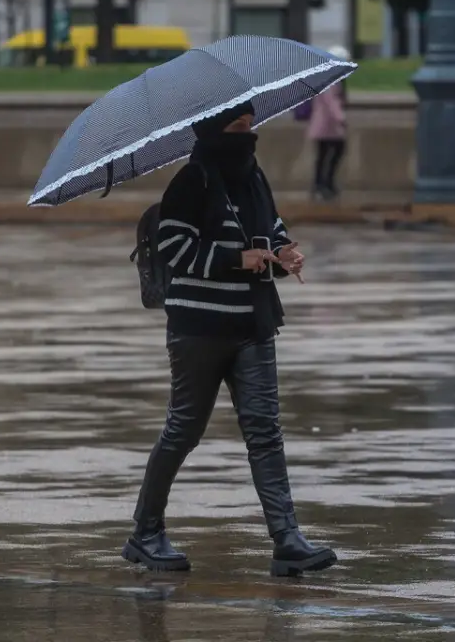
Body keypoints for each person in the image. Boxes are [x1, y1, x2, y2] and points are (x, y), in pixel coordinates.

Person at [122, 102, 338, 577]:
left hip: (254, 324)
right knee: (184, 429)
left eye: (250, 126)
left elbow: (270, 227)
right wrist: (237, 260)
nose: (247, 135)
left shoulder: (254, 177)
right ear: (213, 129)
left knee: (265, 431)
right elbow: (176, 249)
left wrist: (283, 253)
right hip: (200, 328)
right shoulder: (190, 181)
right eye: (237, 127)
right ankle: (145, 532)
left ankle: (287, 539)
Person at [308, 46, 349, 201]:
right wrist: (341, 118)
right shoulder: (331, 79)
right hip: (327, 124)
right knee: (332, 152)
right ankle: (324, 184)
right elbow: (332, 102)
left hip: (325, 124)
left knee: (323, 154)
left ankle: (322, 184)